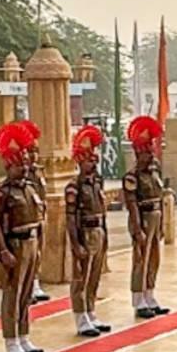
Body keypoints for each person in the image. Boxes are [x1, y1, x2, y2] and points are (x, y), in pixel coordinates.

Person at [0, 122, 45, 352]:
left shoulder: (30, 188)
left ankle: (24, 334)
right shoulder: (0, 193)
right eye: (18, 164)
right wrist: (2, 250)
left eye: (24, 163)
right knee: (12, 293)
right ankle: (10, 339)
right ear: (7, 165)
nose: (23, 167)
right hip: (15, 244)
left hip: (32, 243)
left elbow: (39, 218)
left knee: (26, 293)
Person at [66, 125, 110, 337]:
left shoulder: (96, 182)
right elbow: (70, 217)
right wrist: (76, 244)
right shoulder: (74, 186)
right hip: (84, 232)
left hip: (98, 231)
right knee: (81, 278)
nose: (92, 163)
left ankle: (91, 311)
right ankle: (80, 317)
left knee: (94, 276)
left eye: (94, 159)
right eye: (88, 160)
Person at [125, 116, 169, 319]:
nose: (151, 155)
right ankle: (138, 299)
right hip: (142, 217)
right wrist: (136, 228)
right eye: (146, 151)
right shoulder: (132, 176)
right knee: (140, 260)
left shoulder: (154, 171)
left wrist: (161, 225)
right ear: (137, 152)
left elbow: (160, 196)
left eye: (151, 150)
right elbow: (132, 204)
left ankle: (150, 294)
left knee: (154, 259)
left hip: (155, 215)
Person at [20, 120, 51, 303]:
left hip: (40, 216)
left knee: (38, 252)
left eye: (35, 151)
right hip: (26, 219)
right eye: (30, 151)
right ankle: (28, 285)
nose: (34, 155)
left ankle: (36, 282)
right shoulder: (23, 175)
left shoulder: (38, 172)